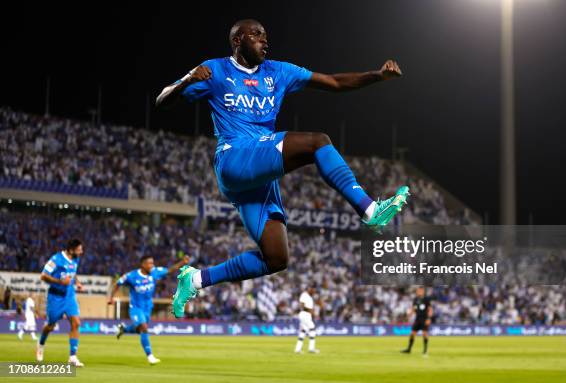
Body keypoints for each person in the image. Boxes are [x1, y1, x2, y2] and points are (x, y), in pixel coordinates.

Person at [156, 19, 410, 318]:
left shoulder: (277, 71)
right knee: (318, 142)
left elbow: (334, 82)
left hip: (260, 173)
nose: (265, 41)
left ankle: (196, 279)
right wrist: (187, 80)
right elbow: (162, 101)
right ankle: (370, 210)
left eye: (266, 36)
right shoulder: (214, 69)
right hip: (235, 157)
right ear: (237, 41)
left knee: (275, 259)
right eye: (257, 36)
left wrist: (377, 76)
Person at [108, 254, 191, 365]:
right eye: (149, 263)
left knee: (139, 329)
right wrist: (111, 298)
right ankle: (150, 356)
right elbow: (117, 283)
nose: (152, 265)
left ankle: (124, 330)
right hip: (136, 308)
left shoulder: (154, 272)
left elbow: (170, 270)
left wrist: (183, 262)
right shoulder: (131, 276)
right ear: (143, 265)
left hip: (148, 308)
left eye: (152, 263)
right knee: (144, 328)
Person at [36, 239, 85, 367]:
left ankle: (72, 357)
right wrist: (59, 282)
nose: (81, 252)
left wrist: (77, 282)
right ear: (71, 250)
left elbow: (72, 274)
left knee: (76, 323)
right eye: (79, 250)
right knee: (50, 326)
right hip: (55, 297)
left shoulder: (76, 259)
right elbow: (43, 276)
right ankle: (41, 344)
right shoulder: (56, 259)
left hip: (69, 296)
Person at [401, 287, 432, 356]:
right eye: (418, 291)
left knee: (424, 334)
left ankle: (425, 350)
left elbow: (430, 309)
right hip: (417, 319)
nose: (419, 292)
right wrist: (408, 316)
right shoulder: (415, 299)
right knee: (412, 333)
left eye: (420, 291)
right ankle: (409, 349)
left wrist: (429, 318)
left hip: (424, 319)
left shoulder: (426, 299)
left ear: (423, 291)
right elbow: (413, 309)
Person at [294, 286, 319, 354]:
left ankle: (297, 349)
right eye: (312, 290)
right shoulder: (304, 295)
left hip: (307, 315)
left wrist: (312, 313)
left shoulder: (310, 297)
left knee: (303, 331)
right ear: (309, 289)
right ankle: (311, 348)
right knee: (312, 328)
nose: (313, 292)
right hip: (304, 314)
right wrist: (310, 310)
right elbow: (301, 305)